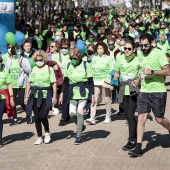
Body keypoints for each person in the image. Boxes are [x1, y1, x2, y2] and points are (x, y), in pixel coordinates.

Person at [128, 33, 170, 157]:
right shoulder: (140, 54)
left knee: (159, 119)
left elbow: (168, 71)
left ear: (151, 43)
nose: (143, 47)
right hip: (144, 91)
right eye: (141, 45)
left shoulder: (159, 53)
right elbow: (142, 71)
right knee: (141, 118)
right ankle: (139, 148)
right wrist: (138, 80)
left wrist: (152, 72)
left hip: (158, 91)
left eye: (146, 45)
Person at [59, 48, 95, 144]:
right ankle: (81, 126)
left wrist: (93, 95)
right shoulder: (68, 65)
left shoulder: (85, 65)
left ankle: (78, 135)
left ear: (79, 57)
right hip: (73, 92)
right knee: (72, 114)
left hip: (84, 91)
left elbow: (91, 81)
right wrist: (62, 94)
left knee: (80, 112)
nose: (73, 60)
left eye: (75, 58)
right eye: (71, 58)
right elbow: (65, 82)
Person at [25, 50, 57, 145]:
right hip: (34, 95)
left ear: (44, 59)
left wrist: (54, 96)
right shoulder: (33, 69)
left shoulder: (48, 69)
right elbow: (29, 83)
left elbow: (53, 83)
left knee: (43, 115)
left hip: (45, 95)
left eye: (40, 59)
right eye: (37, 60)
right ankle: (39, 136)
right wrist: (27, 95)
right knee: (37, 117)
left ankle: (47, 132)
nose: (39, 61)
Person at [114, 40, 140, 151]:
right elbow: (117, 70)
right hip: (123, 88)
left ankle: (131, 141)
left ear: (134, 49)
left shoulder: (138, 59)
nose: (127, 51)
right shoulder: (120, 57)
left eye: (129, 49)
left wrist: (138, 80)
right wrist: (116, 74)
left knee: (130, 115)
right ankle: (135, 130)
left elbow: (142, 72)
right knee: (127, 115)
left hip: (133, 89)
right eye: (125, 49)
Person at [86, 41, 113, 124]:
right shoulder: (93, 57)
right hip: (96, 81)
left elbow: (112, 70)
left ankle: (108, 116)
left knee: (107, 99)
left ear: (104, 49)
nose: (99, 50)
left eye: (101, 48)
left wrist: (112, 83)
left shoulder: (109, 58)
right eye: (98, 48)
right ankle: (92, 117)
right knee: (94, 99)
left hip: (105, 81)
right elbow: (90, 67)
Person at [5, 46, 31, 126]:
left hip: (21, 84)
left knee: (21, 101)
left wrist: (22, 64)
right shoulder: (9, 59)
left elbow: (29, 70)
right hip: (11, 84)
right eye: (16, 49)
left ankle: (28, 113)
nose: (18, 50)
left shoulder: (25, 59)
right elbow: (6, 71)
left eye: (19, 49)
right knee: (12, 101)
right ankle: (15, 119)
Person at [0, 57, 15, 147]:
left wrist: (12, 98)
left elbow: (9, 85)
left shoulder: (5, 71)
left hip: (2, 97)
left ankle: (0, 139)